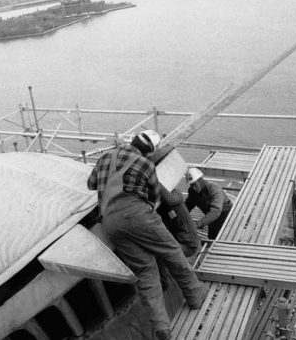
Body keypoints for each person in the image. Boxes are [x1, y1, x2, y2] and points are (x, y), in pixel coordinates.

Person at [87, 130, 208, 340]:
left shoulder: (106, 157)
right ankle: (194, 294)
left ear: (132, 141)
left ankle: (162, 326)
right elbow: (153, 196)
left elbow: (90, 184)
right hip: (137, 215)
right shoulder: (146, 164)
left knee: (145, 271)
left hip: (110, 224)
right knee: (171, 251)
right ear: (149, 151)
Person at [185, 168, 233, 240]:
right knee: (212, 237)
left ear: (201, 180)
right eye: (191, 185)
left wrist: (199, 223)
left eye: (195, 184)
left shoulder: (214, 189)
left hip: (225, 214)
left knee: (221, 237)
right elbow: (188, 205)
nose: (194, 188)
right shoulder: (192, 191)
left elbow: (216, 211)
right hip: (211, 215)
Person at [157, 184, 201, 260]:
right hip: (180, 241)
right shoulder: (162, 209)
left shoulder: (176, 194)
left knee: (163, 253)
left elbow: (171, 200)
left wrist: (156, 182)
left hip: (189, 245)